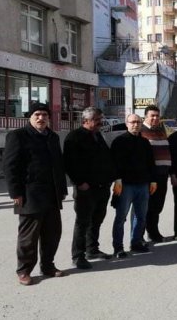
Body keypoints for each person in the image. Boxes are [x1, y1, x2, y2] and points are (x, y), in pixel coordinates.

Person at [4, 102, 68, 285]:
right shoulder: (18, 136)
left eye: (44, 115)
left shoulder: (52, 137)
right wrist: (15, 192)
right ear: (30, 117)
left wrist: (62, 189)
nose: (41, 118)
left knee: (53, 233)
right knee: (28, 236)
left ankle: (48, 266)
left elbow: (59, 165)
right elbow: (10, 167)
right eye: (37, 115)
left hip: (51, 194)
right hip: (29, 194)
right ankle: (24, 271)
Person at [64, 107, 116, 269]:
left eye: (101, 118)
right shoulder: (74, 137)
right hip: (86, 188)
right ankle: (78, 255)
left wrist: (110, 179)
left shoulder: (97, 135)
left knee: (97, 219)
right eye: (97, 119)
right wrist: (80, 182)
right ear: (86, 121)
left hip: (102, 186)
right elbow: (69, 163)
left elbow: (105, 158)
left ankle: (92, 249)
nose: (101, 122)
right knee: (83, 221)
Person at [110, 114, 157, 258]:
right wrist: (117, 179)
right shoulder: (119, 141)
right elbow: (113, 163)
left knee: (141, 216)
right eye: (133, 122)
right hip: (125, 186)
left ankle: (136, 242)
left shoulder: (145, 142)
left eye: (138, 122)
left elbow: (150, 163)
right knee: (121, 217)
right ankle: (118, 247)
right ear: (127, 124)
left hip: (143, 185)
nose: (136, 124)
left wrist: (153, 180)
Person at [140, 105, 173, 243]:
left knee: (157, 206)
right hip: (148, 177)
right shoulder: (140, 131)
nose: (155, 118)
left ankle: (153, 233)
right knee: (144, 207)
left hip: (162, 175)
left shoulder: (162, 130)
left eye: (157, 116)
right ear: (146, 116)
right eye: (152, 115)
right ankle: (138, 236)